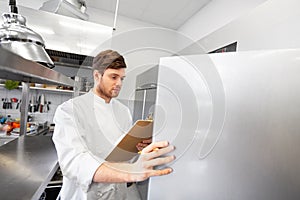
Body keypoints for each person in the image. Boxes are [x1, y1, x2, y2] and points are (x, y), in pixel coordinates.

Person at [52, 49, 175, 199]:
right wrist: (129, 173)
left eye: (122, 78)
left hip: (116, 191)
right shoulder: (70, 110)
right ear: (97, 75)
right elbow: (73, 162)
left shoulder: (123, 111)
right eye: (113, 77)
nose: (119, 83)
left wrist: (139, 148)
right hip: (86, 195)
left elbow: (123, 154)